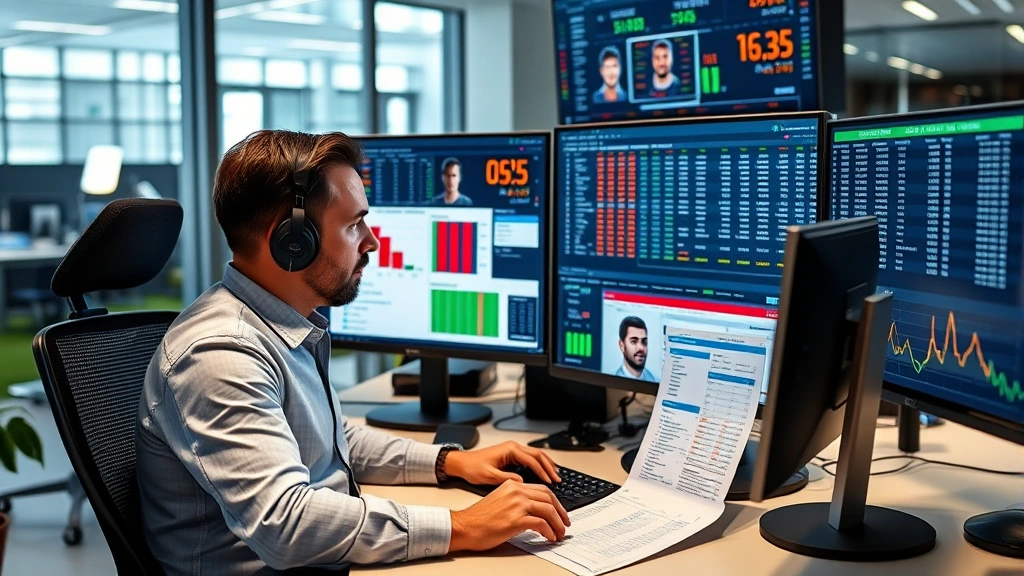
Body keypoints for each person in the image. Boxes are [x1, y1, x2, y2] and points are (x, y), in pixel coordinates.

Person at [136, 130, 568, 575]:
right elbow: (286, 526)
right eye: (352, 225)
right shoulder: (222, 354)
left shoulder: (281, 324)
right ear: (290, 242)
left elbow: (329, 442)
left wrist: (448, 461)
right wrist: (461, 525)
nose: (371, 242)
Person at [615, 316, 657, 381]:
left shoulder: (657, 382)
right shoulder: (609, 381)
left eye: (644, 342)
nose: (641, 348)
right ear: (622, 345)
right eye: (634, 342)